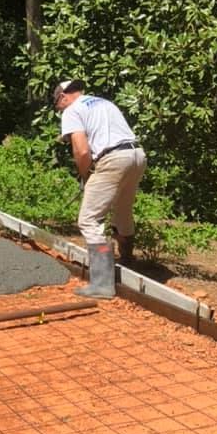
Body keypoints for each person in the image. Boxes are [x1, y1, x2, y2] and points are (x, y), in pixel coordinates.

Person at [54, 78, 147, 298]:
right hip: (136, 155)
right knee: (123, 213)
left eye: (57, 105)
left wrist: (85, 174)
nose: (59, 110)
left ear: (63, 96)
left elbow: (82, 151)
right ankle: (127, 263)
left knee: (89, 219)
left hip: (112, 158)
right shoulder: (103, 103)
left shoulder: (71, 110)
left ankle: (103, 284)